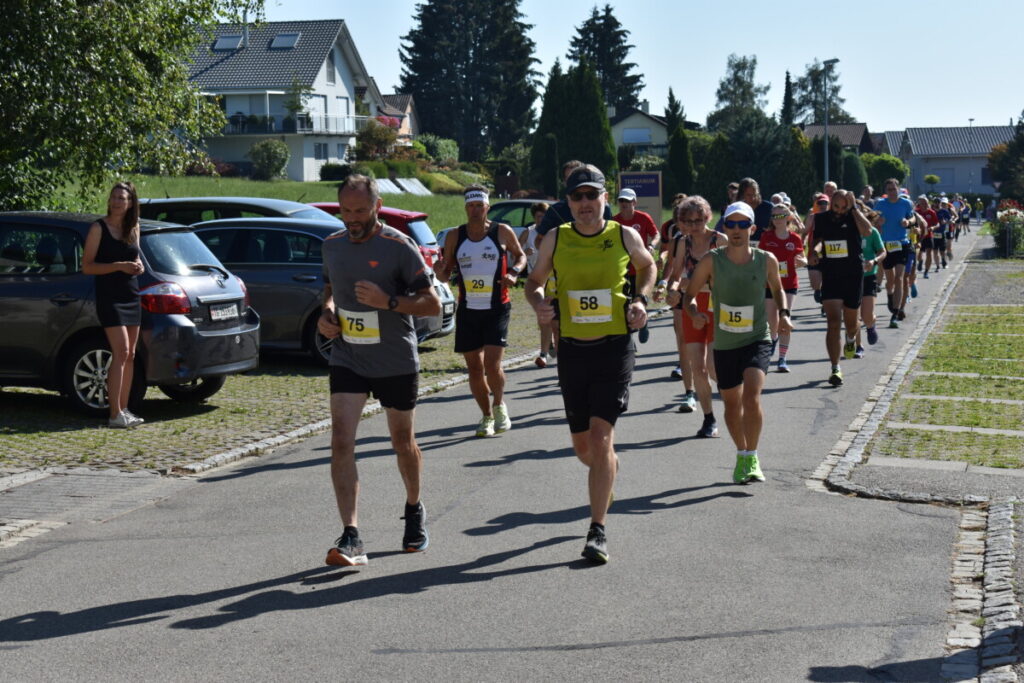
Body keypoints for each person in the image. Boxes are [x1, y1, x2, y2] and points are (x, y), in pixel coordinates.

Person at [525, 164, 655, 564]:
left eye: (591, 195)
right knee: (585, 447)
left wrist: (640, 300)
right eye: (577, 196)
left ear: (605, 198)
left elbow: (648, 266)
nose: (585, 203)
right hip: (572, 351)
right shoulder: (556, 238)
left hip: (614, 348)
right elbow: (534, 281)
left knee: (600, 439)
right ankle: (607, 471)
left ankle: (597, 530)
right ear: (568, 202)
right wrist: (539, 303)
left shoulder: (623, 234)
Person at [318, 174, 441, 567]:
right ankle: (351, 535)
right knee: (341, 441)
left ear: (377, 206)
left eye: (360, 210)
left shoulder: (399, 246)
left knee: (402, 442)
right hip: (348, 356)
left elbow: (432, 304)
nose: (352, 218)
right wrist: (327, 314)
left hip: (394, 359)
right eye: (346, 210)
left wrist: (388, 301)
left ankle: (414, 507)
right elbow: (330, 289)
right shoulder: (332, 245)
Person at [684, 201, 791, 484]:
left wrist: (784, 314)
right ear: (725, 227)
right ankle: (742, 453)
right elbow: (689, 295)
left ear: (752, 229)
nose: (736, 229)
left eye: (743, 224)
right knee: (732, 404)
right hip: (725, 343)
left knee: (752, 395)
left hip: (757, 338)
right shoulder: (712, 260)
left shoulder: (765, 259)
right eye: (731, 224)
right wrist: (694, 313)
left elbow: (778, 289)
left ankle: (752, 455)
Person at [435, 184, 526, 437]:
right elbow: (445, 273)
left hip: (497, 306)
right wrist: (439, 271)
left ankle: (499, 405)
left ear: (487, 207)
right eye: (471, 206)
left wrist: (514, 272)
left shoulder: (502, 231)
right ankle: (486, 416)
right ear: (466, 208)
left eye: (479, 206)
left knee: (492, 365)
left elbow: (521, 257)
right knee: (474, 368)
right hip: (468, 309)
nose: (475, 210)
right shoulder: (455, 235)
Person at [82, 182, 145, 429]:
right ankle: (114, 414)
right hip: (110, 298)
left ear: (130, 203)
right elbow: (87, 266)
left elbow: (136, 256)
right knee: (121, 351)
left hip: (131, 295)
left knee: (130, 354)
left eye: (122, 198)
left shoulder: (134, 226)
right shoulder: (98, 228)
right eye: (114, 197)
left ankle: (124, 410)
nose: (117, 201)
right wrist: (118, 266)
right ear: (109, 200)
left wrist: (138, 266)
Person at [807, 190, 874, 386]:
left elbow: (868, 231)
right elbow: (818, 242)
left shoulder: (854, 216)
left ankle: (851, 339)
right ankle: (835, 368)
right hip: (831, 275)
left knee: (852, 324)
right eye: (836, 206)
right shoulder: (821, 219)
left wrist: (854, 209)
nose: (839, 210)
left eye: (844, 207)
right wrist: (815, 252)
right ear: (831, 203)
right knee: (833, 322)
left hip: (853, 275)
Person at [665, 196, 720, 436]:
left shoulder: (720, 240)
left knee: (713, 367)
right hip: (691, 307)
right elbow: (676, 275)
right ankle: (709, 419)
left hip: (717, 306)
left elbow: (730, 275)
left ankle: (734, 396)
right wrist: (671, 291)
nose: (694, 225)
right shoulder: (682, 242)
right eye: (688, 221)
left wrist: (698, 283)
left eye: (699, 220)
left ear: (707, 218)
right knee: (697, 367)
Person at [756, 202, 806, 372]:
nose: (777, 219)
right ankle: (773, 339)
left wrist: (803, 262)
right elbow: (759, 257)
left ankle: (782, 358)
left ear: (788, 218)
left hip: (789, 285)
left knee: (785, 319)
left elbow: (803, 258)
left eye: (780, 216)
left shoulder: (795, 238)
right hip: (770, 284)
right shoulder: (767, 237)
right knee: (772, 322)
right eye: (774, 216)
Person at [612, 187, 659, 344]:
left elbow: (656, 234)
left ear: (634, 202)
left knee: (639, 299)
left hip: (641, 269)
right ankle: (629, 340)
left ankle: (643, 323)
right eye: (621, 201)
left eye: (627, 201)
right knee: (624, 305)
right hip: (622, 271)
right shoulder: (614, 221)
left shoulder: (643, 218)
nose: (624, 204)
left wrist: (652, 245)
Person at [875, 178, 915, 328]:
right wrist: (878, 221)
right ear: (886, 191)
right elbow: (871, 220)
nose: (892, 192)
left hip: (901, 244)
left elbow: (913, 217)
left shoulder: (906, 203)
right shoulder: (880, 204)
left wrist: (908, 222)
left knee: (899, 278)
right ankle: (890, 294)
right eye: (889, 190)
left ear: (898, 189)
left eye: (894, 189)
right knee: (890, 280)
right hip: (886, 245)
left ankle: (895, 313)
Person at [520, 201, 556, 367]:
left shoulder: (553, 232)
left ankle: (549, 348)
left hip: (553, 280)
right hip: (536, 282)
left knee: (553, 317)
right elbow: (514, 254)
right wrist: (524, 253)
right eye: (538, 217)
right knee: (544, 315)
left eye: (544, 216)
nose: (541, 220)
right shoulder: (528, 232)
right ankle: (545, 350)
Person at [536, 160, 613, 237]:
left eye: (592, 195)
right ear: (564, 182)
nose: (584, 202)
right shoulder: (555, 211)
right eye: (570, 178)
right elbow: (540, 238)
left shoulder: (604, 208)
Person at [854, 209, 887, 358]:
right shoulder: (848, 231)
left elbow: (882, 251)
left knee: (866, 315)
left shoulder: (872, 232)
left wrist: (874, 261)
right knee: (854, 315)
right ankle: (859, 346)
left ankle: (870, 325)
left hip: (868, 276)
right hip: (851, 277)